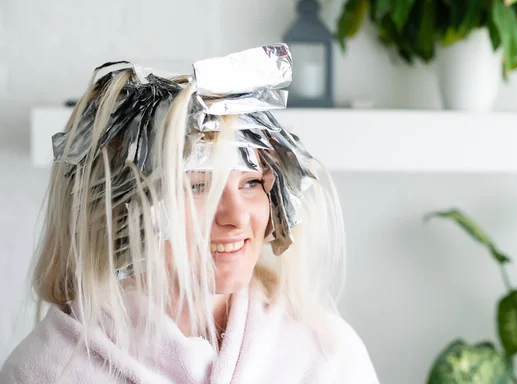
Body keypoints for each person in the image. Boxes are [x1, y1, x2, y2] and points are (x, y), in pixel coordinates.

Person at [0, 44, 379, 383]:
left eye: (251, 183)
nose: (236, 217)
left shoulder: (325, 354)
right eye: (198, 186)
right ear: (121, 206)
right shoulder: (46, 371)